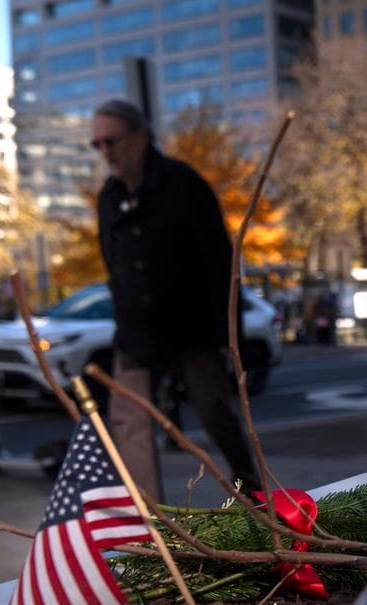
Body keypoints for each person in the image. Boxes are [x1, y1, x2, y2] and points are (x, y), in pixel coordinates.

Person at [90, 99, 259, 501]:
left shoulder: (182, 184)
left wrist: (225, 332)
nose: (105, 152)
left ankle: (252, 491)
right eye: (96, 145)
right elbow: (112, 264)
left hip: (189, 326)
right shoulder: (109, 197)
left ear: (139, 137)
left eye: (111, 141)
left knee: (213, 411)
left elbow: (220, 262)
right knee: (130, 422)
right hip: (134, 331)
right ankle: (152, 521)